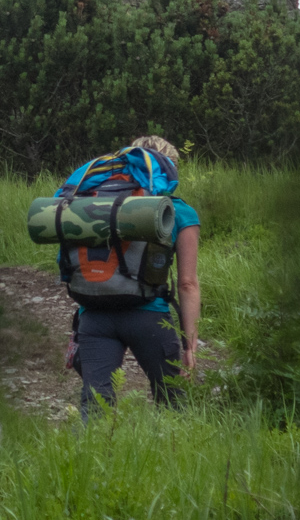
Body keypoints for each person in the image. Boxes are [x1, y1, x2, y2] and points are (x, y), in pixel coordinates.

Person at [55, 135, 201, 415]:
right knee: (174, 404)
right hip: (149, 315)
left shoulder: (88, 204)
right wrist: (190, 345)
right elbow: (188, 283)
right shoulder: (177, 210)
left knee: (95, 407)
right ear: (168, 170)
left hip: (94, 315)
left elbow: (66, 261)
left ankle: (93, 457)